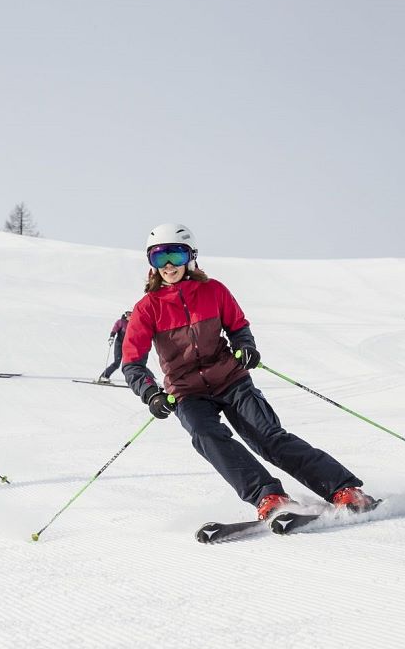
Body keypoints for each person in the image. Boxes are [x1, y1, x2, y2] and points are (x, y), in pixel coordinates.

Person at [119, 223, 376, 521]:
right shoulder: (147, 308)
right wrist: (151, 393)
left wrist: (245, 346)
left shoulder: (213, 291)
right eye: (158, 257)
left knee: (268, 437)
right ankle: (268, 495)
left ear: (190, 257)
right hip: (187, 392)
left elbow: (238, 326)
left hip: (231, 380)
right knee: (207, 436)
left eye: (176, 256)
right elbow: (132, 362)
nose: (168, 265)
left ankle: (344, 489)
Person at [97, 311, 130, 383]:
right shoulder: (121, 322)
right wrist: (112, 337)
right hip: (119, 344)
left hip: (128, 346)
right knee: (117, 363)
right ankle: (104, 377)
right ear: (125, 314)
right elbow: (114, 330)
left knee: (133, 362)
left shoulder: (133, 323)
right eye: (128, 314)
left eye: (131, 314)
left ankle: (150, 378)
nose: (130, 316)